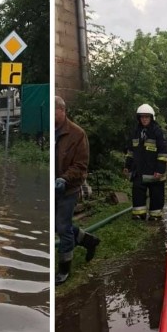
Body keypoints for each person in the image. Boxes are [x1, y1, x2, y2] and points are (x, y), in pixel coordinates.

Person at [54, 96, 100, 285]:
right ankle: (89, 241)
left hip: (68, 188)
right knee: (57, 226)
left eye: (53, 111)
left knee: (63, 228)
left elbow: (81, 165)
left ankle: (64, 269)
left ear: (62, 111)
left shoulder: (77, 134)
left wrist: (64, 179)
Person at [124, 104, 167, 221]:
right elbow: (130, 152)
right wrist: (127, 166)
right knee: (137, 193)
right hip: (139, 171)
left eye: (146, 117)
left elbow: (163, 153)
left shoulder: (157, 132)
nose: (144, 119)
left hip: (154, 171)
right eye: (142, 117)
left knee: (156, 195)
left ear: (151, 118)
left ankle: (155, 216)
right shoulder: (135, 132)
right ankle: (139, 214)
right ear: (139, 118)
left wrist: (160, 170)